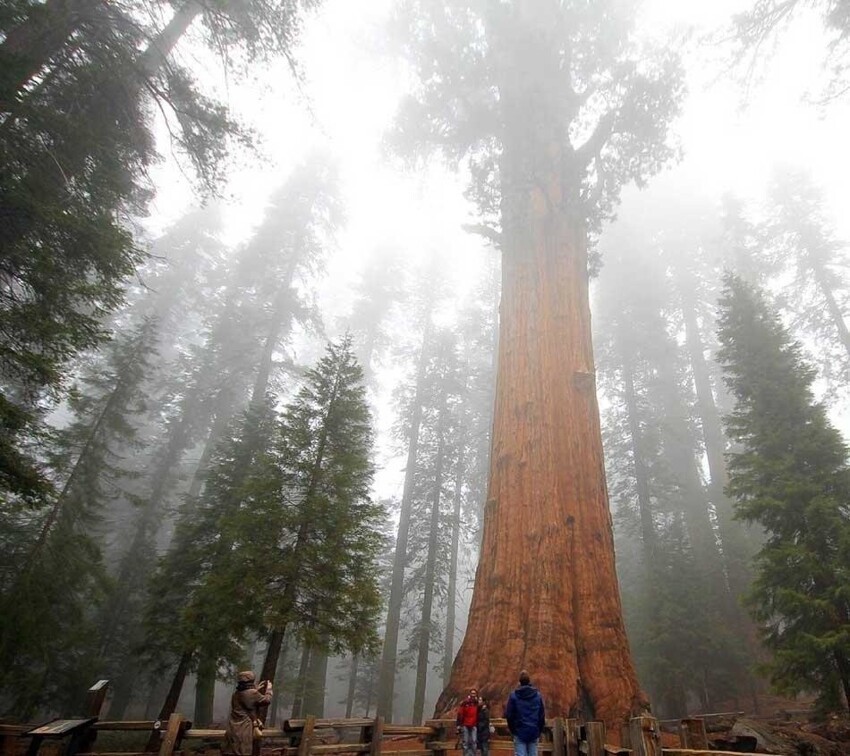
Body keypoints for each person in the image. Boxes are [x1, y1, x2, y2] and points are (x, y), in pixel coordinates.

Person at [223, 670, 273, 756]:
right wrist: (269, 690)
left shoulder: (236, 694)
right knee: (243, 751)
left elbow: (247, 700)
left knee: (231, 752)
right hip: (244, 728)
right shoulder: (252, 693)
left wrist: (255, 690)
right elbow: (266, 701)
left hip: (233, 727)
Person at [505, 671, 545, 756]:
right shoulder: (537, 696)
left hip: (519, 731)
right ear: (529, 681)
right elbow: (541, 715)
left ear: (519, 682)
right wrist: (539, 729)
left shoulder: (514, 696)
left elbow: (509, 715)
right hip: (534, 730)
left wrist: (513, 730)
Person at [456, 688, 479, 756]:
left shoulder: (477, 704)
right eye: (472, 693)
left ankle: (473, 754)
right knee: (465, 742)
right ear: (469, 694)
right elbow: (460, 714)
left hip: (474, 724)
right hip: (465, 724)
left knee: (474, 741)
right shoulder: (465, 703)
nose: (473, 695)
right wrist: (458, 724)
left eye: (474, 693)